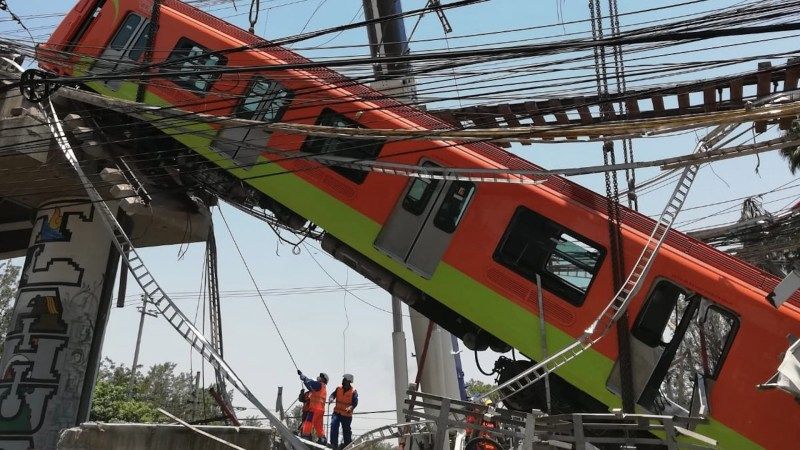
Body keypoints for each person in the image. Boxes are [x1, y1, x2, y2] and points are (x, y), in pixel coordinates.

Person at [297, 369, 329, 444]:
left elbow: (310, 383)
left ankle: (305, 437)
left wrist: (303, 376)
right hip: (320, 410)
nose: (318, 377)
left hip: (314, 409)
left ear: (323, 379)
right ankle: (322, 439)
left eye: (320, 377)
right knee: (319, 426)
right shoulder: (323, 388)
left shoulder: (319, 385)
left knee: (308, 423)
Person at [328, 373, 358, 449]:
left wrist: (350, 407)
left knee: (346, 431)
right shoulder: (338, 388)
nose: (343, 380)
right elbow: (333, 395)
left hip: (346, 415)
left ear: (349, 381)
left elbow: (355, 403)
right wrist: (331, 398)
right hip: (337, 413)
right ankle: (334, 444)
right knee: (334, 425)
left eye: (344, 379)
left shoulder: (353, 391)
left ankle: (348, 446)